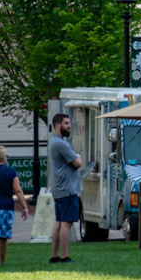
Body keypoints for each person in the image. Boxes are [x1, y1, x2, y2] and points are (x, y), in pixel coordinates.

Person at [0, 146, 29, 266]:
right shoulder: (11, 171)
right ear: (3, 158)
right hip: (6, 206)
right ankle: (2, 262)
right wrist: (25, 207)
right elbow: (18, 190)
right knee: (3, 235)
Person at [48, 113, 82, 265]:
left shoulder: (54, 142)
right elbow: (78, 163)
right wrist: (78, 156)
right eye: (66, 123)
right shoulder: (61, 144)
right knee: (66, 223)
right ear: (57, 125)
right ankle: (64, 257)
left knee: (59, 222)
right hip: (67, 189)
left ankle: (54, 256)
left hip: (59, 188)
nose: (69, 126)